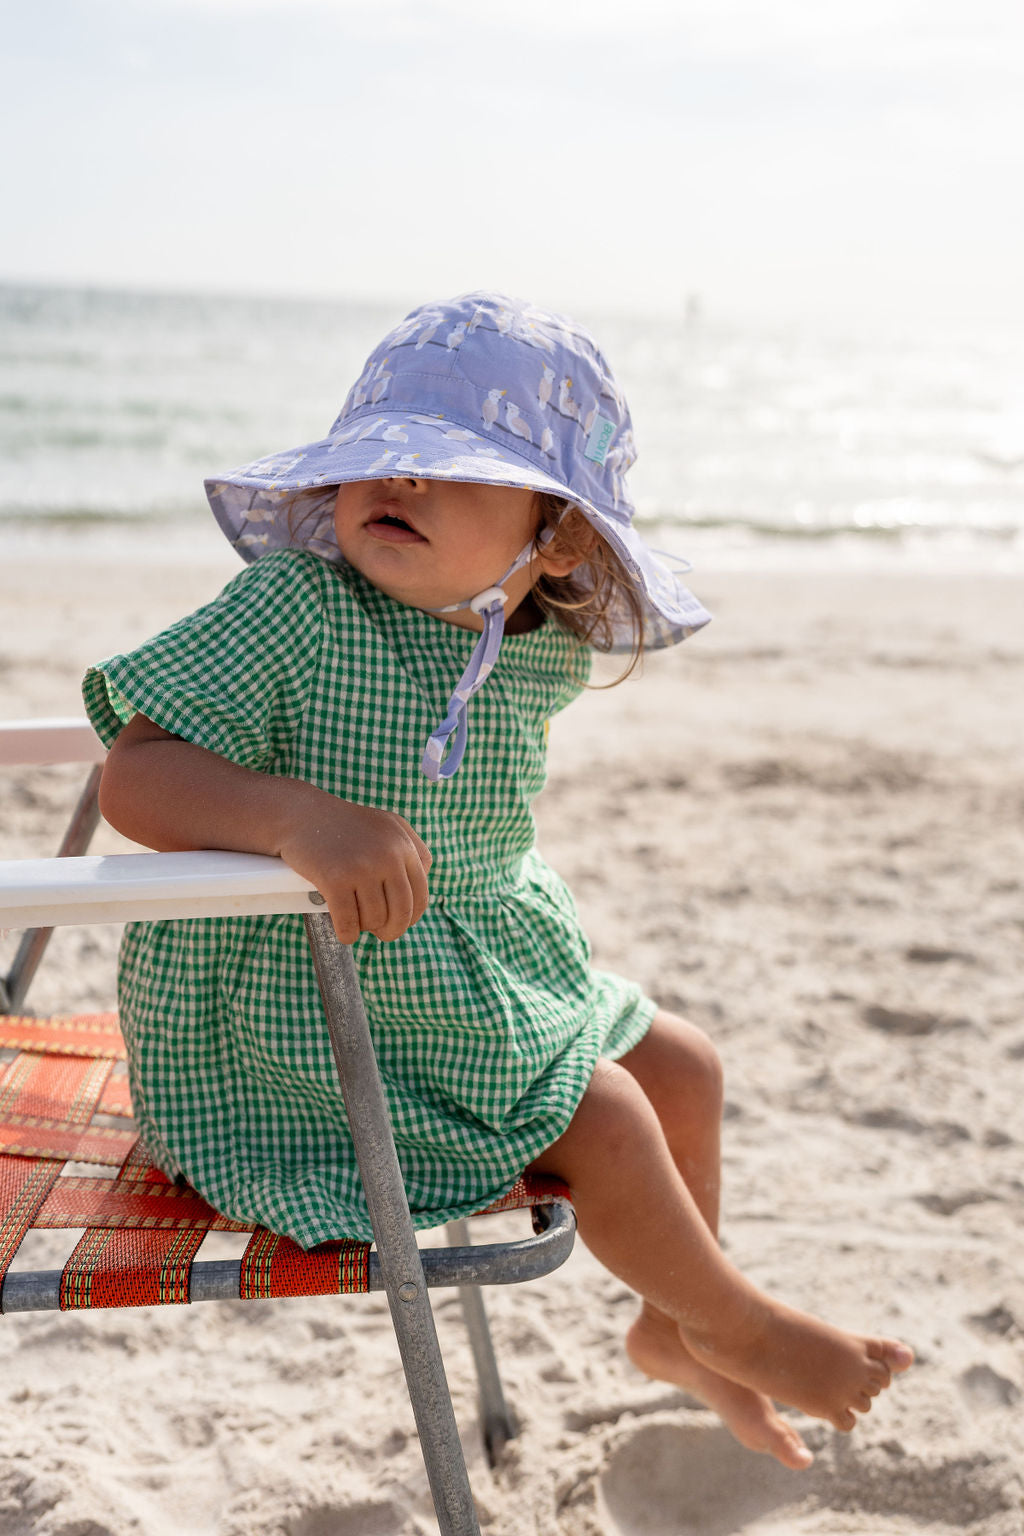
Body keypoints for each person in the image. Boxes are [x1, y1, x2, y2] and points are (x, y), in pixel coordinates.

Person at [84, 291, 912, 1471]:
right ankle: (738, 1325)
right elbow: (135, 775)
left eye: (451, 466)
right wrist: (296, 818)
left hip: (452, 980)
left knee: (682, 1065)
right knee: (606, 1115)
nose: (401, 479)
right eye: (381, 457)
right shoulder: (295, 609)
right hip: (291, 1022)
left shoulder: (530, 647)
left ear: (555, 541)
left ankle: (673, 1327)